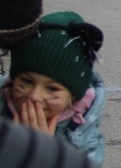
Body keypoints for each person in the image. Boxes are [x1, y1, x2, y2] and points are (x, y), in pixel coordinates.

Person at [1, 11, 106, 166]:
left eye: (52, 89)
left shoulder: (85, 140)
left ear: (73, 97)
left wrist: (44, 153)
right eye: (26, 81)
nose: (35, 96)